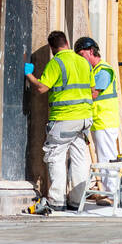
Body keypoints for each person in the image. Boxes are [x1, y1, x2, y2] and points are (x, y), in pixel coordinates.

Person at [25, 30, 93, 210]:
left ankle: (56, 201)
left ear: (52, 48)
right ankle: (77, 201)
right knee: (79, 159)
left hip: (64, 118)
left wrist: (29, 75)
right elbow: (92, 89)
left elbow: (42, 88)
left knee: (56, 156)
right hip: (85, 119)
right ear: (67, 43)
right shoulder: (83, 62)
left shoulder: (56, 62)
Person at [74, 37, 120, 197]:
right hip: (99, 121)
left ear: (91, 51)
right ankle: (108, 192)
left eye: (81, 54)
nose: (80, 58)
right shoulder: (95, 71)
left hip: (105, 121)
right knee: (104, 159)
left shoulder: (103, 70)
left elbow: (93, 94)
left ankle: (111, 193)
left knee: (107, 159)